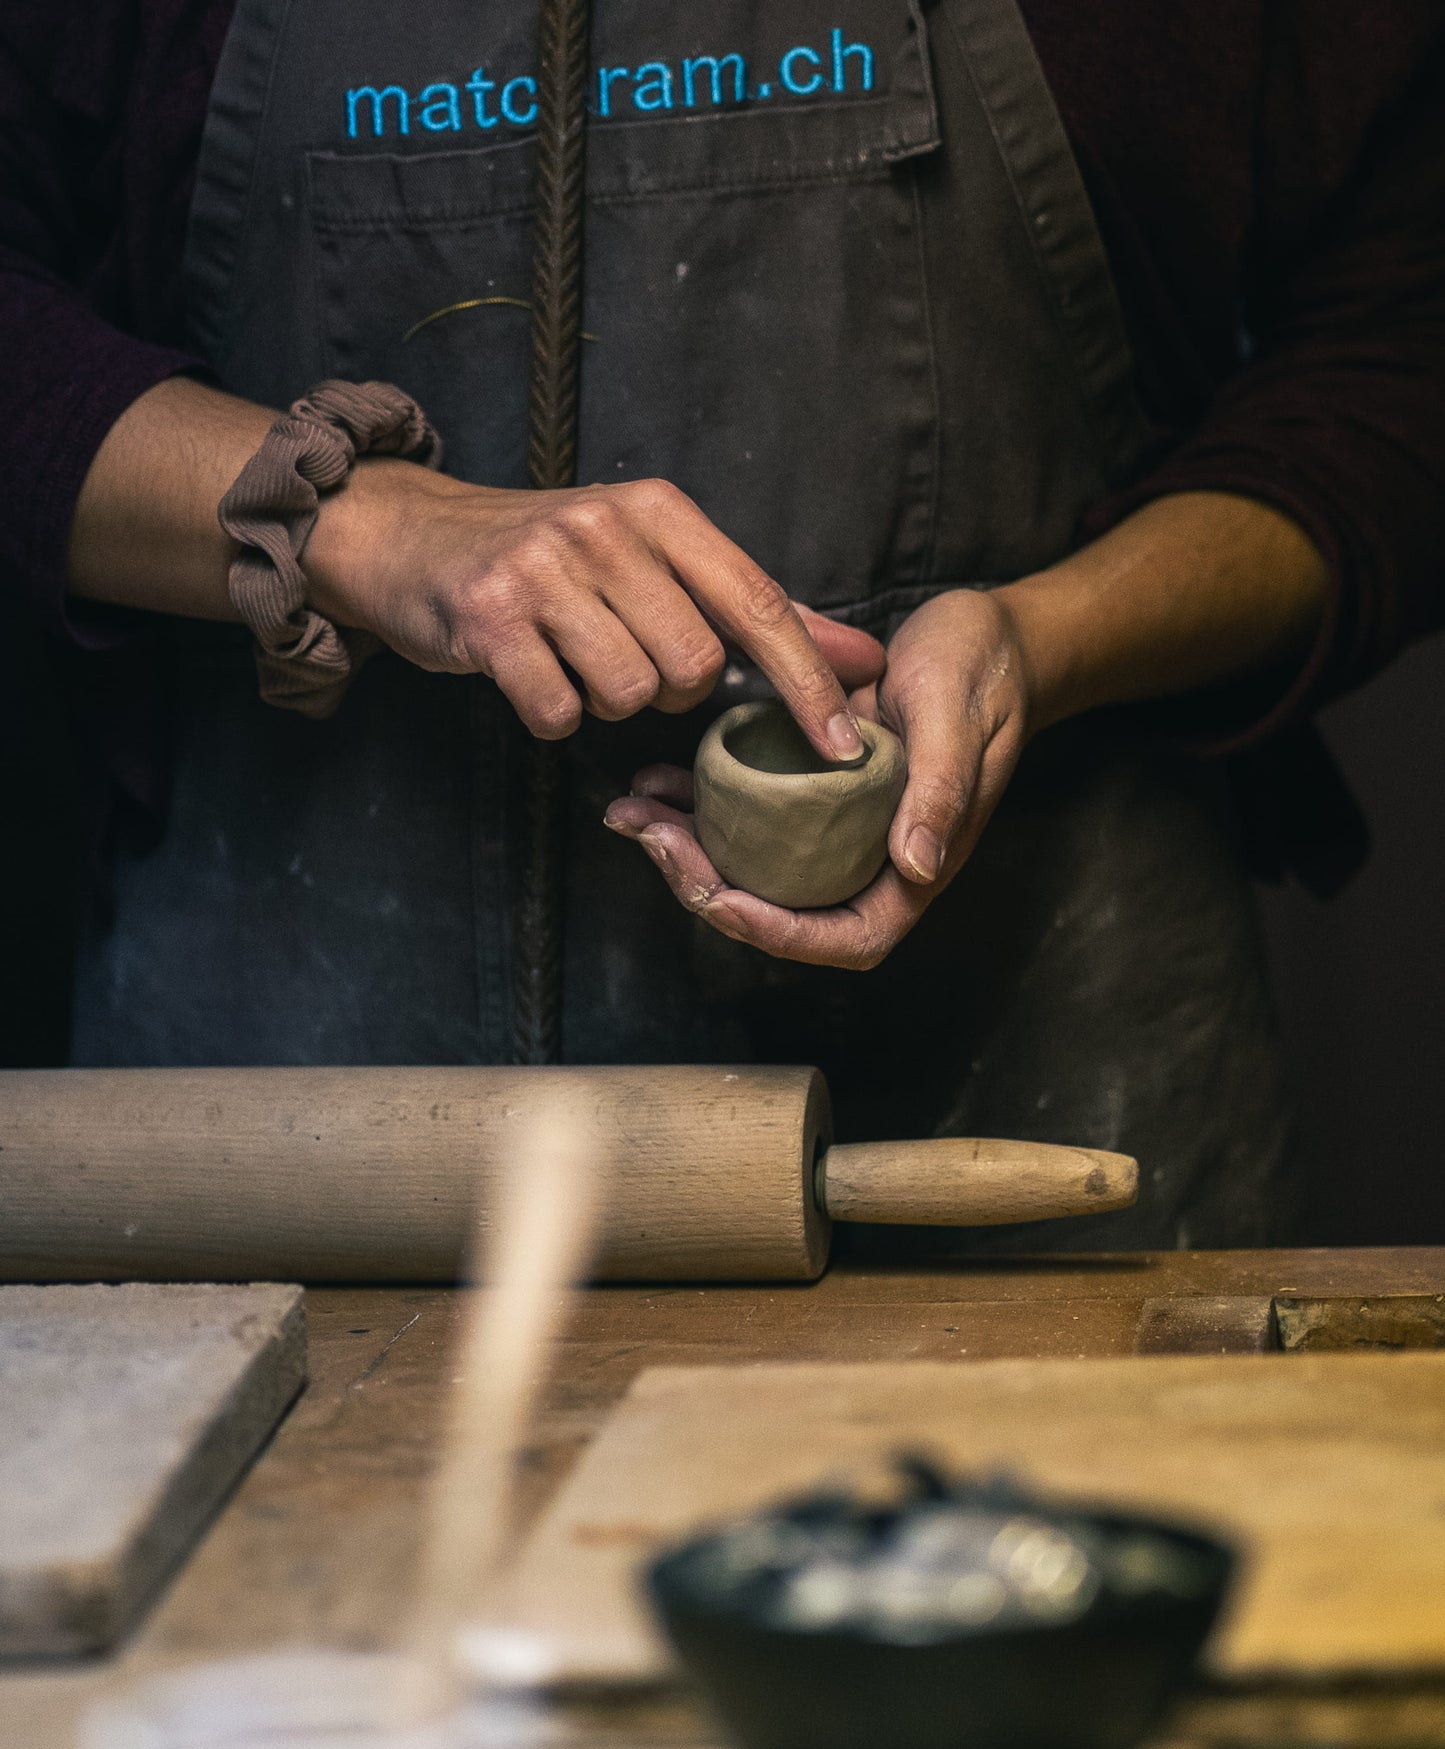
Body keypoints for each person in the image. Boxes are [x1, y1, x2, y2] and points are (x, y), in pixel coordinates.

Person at [3, 2, 1443, 1249]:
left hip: (1029, 1084)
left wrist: (1043, 642)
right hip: (300, 1121)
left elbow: (1396, 356)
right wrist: (350, 521)